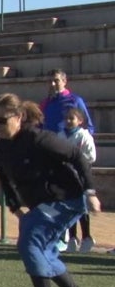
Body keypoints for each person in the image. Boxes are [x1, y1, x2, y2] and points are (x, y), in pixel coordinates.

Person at [0, 93, 100, 287]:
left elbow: (76, 155)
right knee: (46, 252)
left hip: (67, 199)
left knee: (29, 241)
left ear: (19, 117)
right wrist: (15, 207)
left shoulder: (38, 138)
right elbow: (3, 175)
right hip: (42, 204)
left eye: (2, 120)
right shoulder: (1, 145)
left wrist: (90, 192)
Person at [58, 108, 97, 252]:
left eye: (72, 118)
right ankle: (72, 237)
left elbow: (92, 156)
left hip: (80, 176)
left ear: (80, 121)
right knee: (69, 207)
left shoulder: (84, 136)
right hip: (66, 176)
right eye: (66, 118)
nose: (68, 121)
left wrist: (77, 160)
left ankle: (87, 236)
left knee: (82, 207)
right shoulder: (60, 136)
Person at [40, 69, 94, 135]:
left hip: (68, 143)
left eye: (56, 81)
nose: (52, 84)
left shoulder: (75, 101)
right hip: (49, 142)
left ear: (64, 81)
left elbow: (88, 126)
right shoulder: (45, 103)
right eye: (50, 81)